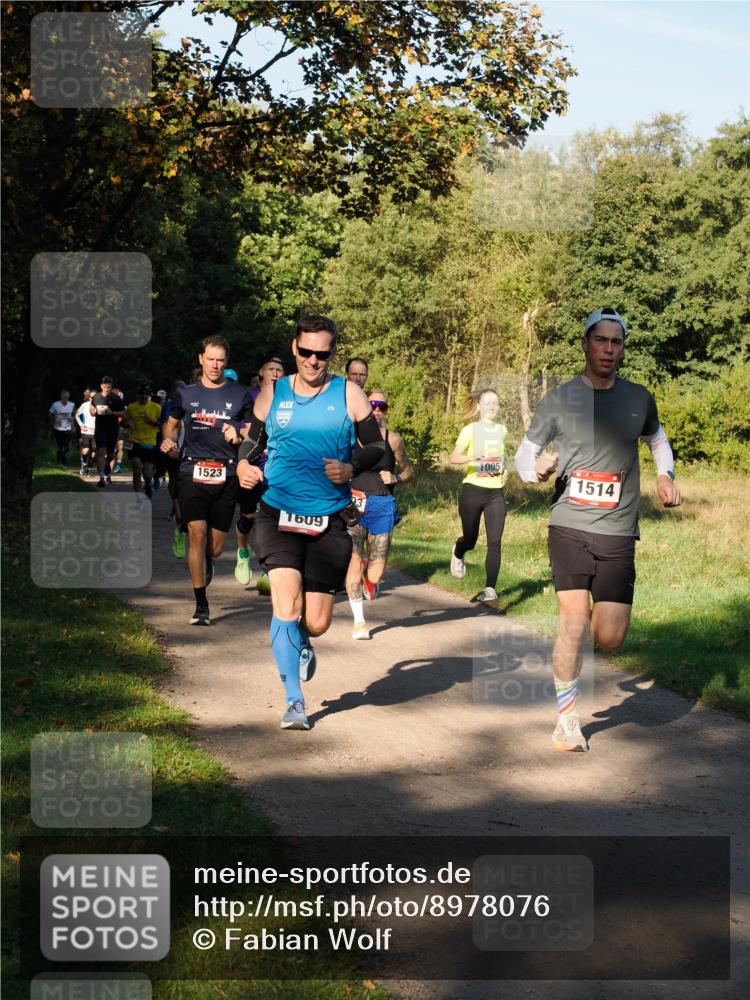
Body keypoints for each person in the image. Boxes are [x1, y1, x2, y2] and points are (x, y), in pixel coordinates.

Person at [514, 307, 682, 753]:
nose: (609, 349)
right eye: (601, 340)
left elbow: (658, 440)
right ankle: (567, 720)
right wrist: (537, 470)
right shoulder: (559, 399)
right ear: (586, 344)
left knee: (609, 636)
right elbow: (523, 456)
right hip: (569, 524)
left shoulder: (638, 398)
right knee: (572, 621)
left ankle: (572, 655)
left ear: (622, 348)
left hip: (619, 531)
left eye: (617, 342)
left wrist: (666, 475)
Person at [240, 315, 387, 730]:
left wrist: (351, 465)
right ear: (294, 348)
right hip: (277, 511)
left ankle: (303, 640)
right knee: (285, 602)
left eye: (322, 354)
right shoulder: (275, 391)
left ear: (331, 354)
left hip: (328, 519)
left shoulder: (349, 394)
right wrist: (242, 466)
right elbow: (253, 439)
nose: (312, 360)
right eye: (305, 352)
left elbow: (379, 450)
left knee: (317, 621)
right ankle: (294, 702)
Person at [160, 336, 253, 626]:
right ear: (201, 359)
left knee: (213, 547)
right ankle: (201, 604)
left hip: (225, 475)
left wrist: (237, 437)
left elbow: (251, 434)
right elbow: (172, 425)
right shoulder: (186, 394)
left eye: (220, 360)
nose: (215, 365)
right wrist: (168, 441)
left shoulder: (240, 395)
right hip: (191, 471)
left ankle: (208, 561)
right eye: (210, 359)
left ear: (226, 363)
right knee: (196, 534)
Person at [345, 389, 413, 638]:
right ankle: (359, 622)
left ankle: (367, 576)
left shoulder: (392, 439)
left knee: (376, 572)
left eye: (381, 406)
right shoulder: (349, 436)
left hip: (382, 506)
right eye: (372, 404)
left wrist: (395, 476)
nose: (376, 410)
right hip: (352, 506)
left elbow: (408, 471)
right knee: (352, 560)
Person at [449, 388, 509, 604]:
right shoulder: (470, 430)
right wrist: (473, 458)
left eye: (496, 403)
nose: (493, 406)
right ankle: (458, 550)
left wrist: (505, 469)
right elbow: (454, 458)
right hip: (473, 490)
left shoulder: (502, 430)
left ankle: (490, 589)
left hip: (495, 492)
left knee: (495, 541)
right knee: (471, 539)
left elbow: (502, 458)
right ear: (479, 406)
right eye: (488, 403)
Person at [234, 355, 285, 588]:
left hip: (275, 468)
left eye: (279, 370)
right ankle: (243, 552)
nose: (275, 373)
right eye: (271, 369)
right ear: (261, 373)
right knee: (248, 517)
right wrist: (237, 432)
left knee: (274, 518)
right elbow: (240, 424)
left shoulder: (289, 396)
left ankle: (268, 569)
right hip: (252, 463)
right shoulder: (250, 396)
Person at [123, 384, 162, 498]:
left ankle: (148, 485)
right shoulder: (131, 407)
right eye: (141, 394)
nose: (144, 396)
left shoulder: (156, 407)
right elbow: (123, 422)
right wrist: (127, 424)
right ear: (137, 395)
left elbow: (163, 425)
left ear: (150, 395)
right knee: (136, 469)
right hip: (133, 441)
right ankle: (138, 496)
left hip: (149, 443)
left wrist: (152, 422)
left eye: (146, 394)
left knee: (148, 474)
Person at [90, 376, 125, 488]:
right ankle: (101, 478)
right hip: (100, 429)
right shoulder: (96, 397)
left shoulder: (116, 399)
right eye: (105, 387)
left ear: (111, 387)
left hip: (112, 429)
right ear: (101, 386)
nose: (106, 389)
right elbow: (91, 410)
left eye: (109, 387)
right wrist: (93, 411)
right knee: (101, 450)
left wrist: (112, 413)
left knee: (110, 454)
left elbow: (123, 413)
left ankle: (108, 464)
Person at [48, 389, 75, 465]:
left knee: (66, 447)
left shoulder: (72, 404)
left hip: (68, 428)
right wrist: (54, 418)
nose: (66, 398)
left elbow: (74, 414)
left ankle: (64, 459)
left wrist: (73, 418)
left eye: (67, 397)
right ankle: (60, 462)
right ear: (61, 396)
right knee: (60, 446)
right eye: (64, 397)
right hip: (58, 429)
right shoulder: (55, 404)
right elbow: (49, 413)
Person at [75, 388, 96, 476]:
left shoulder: (101, 406)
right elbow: (77, 415)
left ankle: (89, 469)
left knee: (94, 452)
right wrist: (81, 424)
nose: (92, 399)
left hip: (96, 433)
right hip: (86, 431)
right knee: (86, 450)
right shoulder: (84, 405)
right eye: (91, 397)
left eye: (95, 397)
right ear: (89, 397)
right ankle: (84, 465)